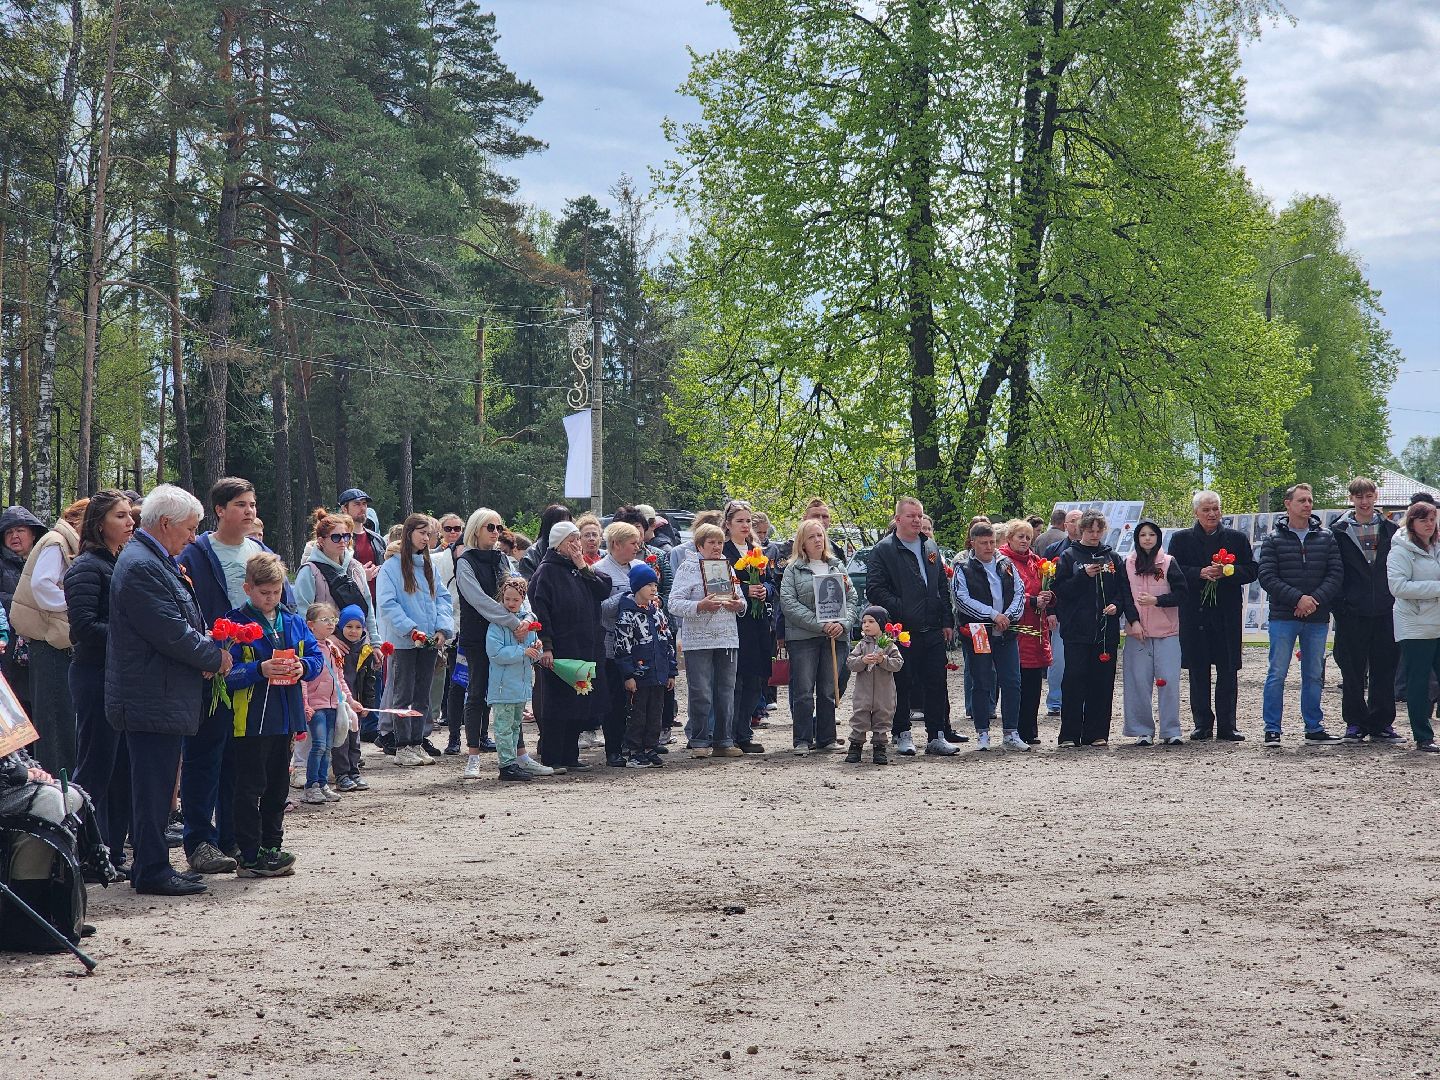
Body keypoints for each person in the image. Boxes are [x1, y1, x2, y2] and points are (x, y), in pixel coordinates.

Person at [107, 484, 231, 896]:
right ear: (165, 524)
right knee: (153, 787)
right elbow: (171, 632)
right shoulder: (144, 564)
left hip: (155, 691)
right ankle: (152, 870)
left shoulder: (151, 559)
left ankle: (152, 864)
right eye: (190, 528)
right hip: (150, 694)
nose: (193, 537)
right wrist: (214, 656)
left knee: (155, 786)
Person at [177, 477, 292, 876]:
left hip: (254, 682)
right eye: (240, 504)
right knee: (203, 756)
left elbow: (286, 610)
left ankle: (234, 841)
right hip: (210, 671)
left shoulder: (260, 551)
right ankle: (199, 841)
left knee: (240, 763)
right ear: (220, 510)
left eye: (253, 504)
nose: (249, 511)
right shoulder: (195, 554)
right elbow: (184, 610)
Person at [222, 553, 322, 877]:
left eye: (276, 592)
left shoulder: (292, 621)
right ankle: (248, 856)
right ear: (247, 588)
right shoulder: (234, 623)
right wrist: (259, 669)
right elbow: (226, 673)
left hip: (286, 717)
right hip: (249, 721)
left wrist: (302, 667)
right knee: (251, 787)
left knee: (279, 787)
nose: (271, 598)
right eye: (264, 592)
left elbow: (316, 657)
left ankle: (272, 849)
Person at [62, 490, 135, 878]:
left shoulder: (117, 562)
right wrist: (132, 635)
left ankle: (111, 853)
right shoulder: (87, 567)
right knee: (94, 768)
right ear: (99, 522)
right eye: (121, 516)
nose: (130, 521)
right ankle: (80, 853)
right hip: (93, 677)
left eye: (130, 515)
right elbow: (84, 629)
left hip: (117, 678)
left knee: (120, 768)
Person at [863, 497, 961, 756]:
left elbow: (941, 584)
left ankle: (936, 735)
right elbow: (874, 588)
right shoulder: (884, 550)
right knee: (902, 682)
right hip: (901, 630)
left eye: (920, 515)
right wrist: (903, 607)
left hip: (932, 629)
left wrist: (946, 620)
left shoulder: (930, 546)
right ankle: (903, 733)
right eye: (911, 516)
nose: (917, 520)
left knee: (936, 682)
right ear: (898, 520)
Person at [1258, 483, 1345, 745]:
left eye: (1310, 500)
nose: (1307, 505)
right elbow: (1266, 576)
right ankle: (1272, 728)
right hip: (1284, 616)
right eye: (1302, 500)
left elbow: (1336, 574)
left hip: (1316, 618)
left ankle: (1314, 727)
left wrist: (1313, 600)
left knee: (1313, 673)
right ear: (1288, 504)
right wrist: (1298, 598)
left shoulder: (1326, 537)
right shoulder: (1273, 539)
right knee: (1277, 673)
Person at [1168, 491, 1259, 742]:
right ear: (1196, 513)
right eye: (1206, 510)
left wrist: (1227, 571)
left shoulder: (1236, 539)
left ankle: (1228, 725)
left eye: (1216, 509)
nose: (1212, 514)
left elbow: (1252, 570)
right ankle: (1202, 724)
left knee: (1228, 669)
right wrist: (1200, 573)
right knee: (1198, 671)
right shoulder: (1181, 539)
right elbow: (1173, 571)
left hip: (1226, 613)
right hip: (1195, 613)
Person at [9, 499, 87, 774]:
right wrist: (76, 606)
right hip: (49, 644)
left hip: (54, 643)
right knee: (55, 724)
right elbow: (42, 586)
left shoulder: (63, 542)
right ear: (80, 520)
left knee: (62, 722)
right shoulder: (57, 542)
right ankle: (56, 797)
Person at [1053, 509, 1141, 747]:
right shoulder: (1069, 556)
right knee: (1074, 680)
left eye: (1098, 530)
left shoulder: (1112, 557)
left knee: (1102, 682)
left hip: (1105, 631)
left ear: (1104, 531)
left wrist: (1117, 605)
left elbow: (1123, 590)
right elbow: (1060, 591)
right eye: (1090, 530)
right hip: (1076, 630)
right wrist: (1083, 575)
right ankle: (1069, 734)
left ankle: (1097, 733)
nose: (1094, 534)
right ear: (1081, 529)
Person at [528, 521, 610, 769]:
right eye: (571, 540)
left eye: (578, 539)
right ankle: (553, 756)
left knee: (579, 702)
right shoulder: (546, 572)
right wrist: (547, 646)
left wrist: (583, 566)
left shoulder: (578, 568)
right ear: (558, 544)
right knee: (558, 705)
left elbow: (603, 589)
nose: (577, 544)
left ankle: (571, 757)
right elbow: (541, 612)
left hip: (584, 647)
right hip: (560, 650)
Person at [376, 514, 454, 767]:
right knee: (403, 693)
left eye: (428, 533)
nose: (425, 537)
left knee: (422, 693)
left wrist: (442, 628)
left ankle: (417, 741)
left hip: (430, 640)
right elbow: (388, 603)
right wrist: (410, 630)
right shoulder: (391, 567)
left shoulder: (428, 565)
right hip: (404, 641)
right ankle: (402, 746)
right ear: (408, 533)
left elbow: (442, 598)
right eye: (421, 532)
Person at [455, 507, 525, 778]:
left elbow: (518, 591)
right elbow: (479, 600)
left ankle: (520, 754)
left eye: (498, 527)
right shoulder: (465, 561)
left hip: (507, 634)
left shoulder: (503, 560)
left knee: (513, 694)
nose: (496, 532)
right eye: (490, 527)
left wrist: (525, 620)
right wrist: (512, 621)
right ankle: (473, 755)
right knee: (477, 692)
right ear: (475, 530)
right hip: (478, 635)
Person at [1330, 477, 1401, 743]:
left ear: (1375, 496)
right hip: (1352, 612)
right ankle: (1355, 722)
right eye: (1359, 497)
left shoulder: (1391, 529)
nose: (1364, 501)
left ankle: (1382, 722)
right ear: (1351, 499)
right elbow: (1333, 570)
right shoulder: (1337, 531)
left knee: (1384, 669)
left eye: (1368, 496)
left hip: (1385, 610)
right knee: (1351, 670)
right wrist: (1341, 604)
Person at [778, 518, 857, 755]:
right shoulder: (792, 569)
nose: (817, 540)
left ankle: (827, 738)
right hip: (804, 638)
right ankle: (802, 739)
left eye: (820, 535)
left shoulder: (837, 566)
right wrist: (819, 625)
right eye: (812, 536)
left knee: (828, 689)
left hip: (835, 637)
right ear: (802, 541)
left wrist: (842, 624)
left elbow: (852, 599)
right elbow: (788, 603)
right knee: (803, 690)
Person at [670, 523, 745, 757]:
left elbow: (740, 599)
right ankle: (700, 740)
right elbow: (673, 603)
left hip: (727, 637)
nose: (716, 547)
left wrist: (738, 604)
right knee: (701, 691)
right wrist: (699, 606)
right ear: (699, 545)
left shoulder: (727, 568)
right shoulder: (687, 568)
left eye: (720, 542)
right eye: (711, 542)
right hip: (698, 640)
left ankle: (724, 740)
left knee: (726, 691)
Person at [953, 521, 1027, 751]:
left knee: (1012, 681)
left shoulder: (1006, 564)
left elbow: (1019, 591)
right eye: (983, 543)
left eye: (992, 542)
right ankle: (982, 732)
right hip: (979, 632)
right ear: (972, 543)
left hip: (1006, 630)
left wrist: (1009, 616)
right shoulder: (963, 567)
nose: (988, 547)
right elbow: (961, 599)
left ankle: (1011, 732)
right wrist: (993, 615)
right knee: (982, 681)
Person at [1121, 520, 1188, 746]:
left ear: (1158, 537)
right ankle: (1142, 730)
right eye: (1142, 535)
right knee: (1138, 682)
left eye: (1151, 534)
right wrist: (1133, 621)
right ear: (1137, 539)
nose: (1147, 538)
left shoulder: (1168, 562)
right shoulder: (1128, 563)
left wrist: (1157, 601)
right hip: (1137, 633)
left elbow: (1182, 593)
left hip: (1167, 632)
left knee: (1168, 681)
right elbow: (1125, 597)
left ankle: (1171, 730)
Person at [1387, 500, 1440, 752]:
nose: (1429, 524)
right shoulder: (1400, 550)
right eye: (1423, 520)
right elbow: (1398, 587)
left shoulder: (1437, 547)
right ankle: (1423, 735)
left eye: (1432, 519)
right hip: (1415, 625)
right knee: (1418, 681)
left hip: (1438, 622)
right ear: (1411, 522)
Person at [614, 564, 677, 769]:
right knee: (637, 714)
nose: (653, 588)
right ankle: (634, 751)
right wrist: (628, 675)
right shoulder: (627, 615)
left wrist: (671, 671)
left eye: (655, 584)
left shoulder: (657, 613)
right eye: (648, 584)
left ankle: (650, 747)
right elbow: (622, 648)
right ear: (636, 586)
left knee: (655, 713)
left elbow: (667, 642)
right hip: (639, 676)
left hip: (659, 674)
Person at [301, 602, 364, 805]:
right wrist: (305, 704)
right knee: (318, 745)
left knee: (328, 747)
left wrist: (350, 700)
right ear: (311, 625)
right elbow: (302, 678)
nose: (330, 625)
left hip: (333, 705)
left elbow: (340, 679)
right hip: (316, 705)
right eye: (325, 620)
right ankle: (311, 786)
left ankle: (322, 784)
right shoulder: (307, 647)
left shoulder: (332, 648)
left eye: (333, 620)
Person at [595, 520, 647, 766]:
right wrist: (626, 597)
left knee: (641, 697)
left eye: (638, 542)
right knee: (615, 699)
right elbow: (599, 610)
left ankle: (637, 745)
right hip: (611, 645)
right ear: (615, 544)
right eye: (633, 543)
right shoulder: (599, 571)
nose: (637, 547)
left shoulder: (640, 567)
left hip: (640, 644)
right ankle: (613, 749)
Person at [721, 500, 771, 755]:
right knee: (737, 680)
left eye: (748, 521)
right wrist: (743, 590)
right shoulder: (724, 551)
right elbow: (719, 585)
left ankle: (744, 732)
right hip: (735, 623)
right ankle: (730, 734)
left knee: (755, 679)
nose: (744, 525)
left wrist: (765, 590)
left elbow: (771, 583)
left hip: (758, 621)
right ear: (728, 524)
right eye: (739, 521)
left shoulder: (757, 550)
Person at [999, 519, 1053, 746]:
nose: (1024, 541)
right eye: (1020, 536)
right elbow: (1005, 594)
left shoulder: (1036, 562)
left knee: (1033, 681)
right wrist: (1032, 601)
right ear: (1009, 538)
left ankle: (1030, 729)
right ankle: (1015, 729)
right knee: (1016, 679)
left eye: (1028, 537)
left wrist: (1049, 597)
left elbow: (1045, 588)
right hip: (1016, 627)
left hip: (1036, 627)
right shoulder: (1003, 561)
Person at [486, 578, 546, 781]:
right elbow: (495, 653)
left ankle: (512, 762)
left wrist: (537, 650)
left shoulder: (526, 624)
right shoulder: (497, 624)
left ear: (522, 600)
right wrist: (523, 652)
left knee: (514, 726)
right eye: (507, 599)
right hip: (503, 686)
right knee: (503, 726)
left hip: (520, 684)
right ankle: (506, 764)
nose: (511, 603)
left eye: (515, 599)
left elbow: (535, 653)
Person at [1, 505, 47, 713]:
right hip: (8, 649)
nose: (14, 536)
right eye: (9, 532)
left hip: (37, 650)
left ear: (33, 532)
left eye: (20, 530)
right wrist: (25, 604)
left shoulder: (45, 562)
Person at [844, 606, 905, 764]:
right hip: (863, 692)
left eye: (871, 621)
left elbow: (898, 664)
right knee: (860, 717)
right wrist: (862, 661)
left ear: (882, 624)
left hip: (884, 692)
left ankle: (879, 747)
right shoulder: (861, 645)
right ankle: (855, 746)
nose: (866, 625)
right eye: (864, 622)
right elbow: (850, 663)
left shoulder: (890, 645)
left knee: (882, 718)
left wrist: (882, 660)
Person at [1044, 509, 1083, 717]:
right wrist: (1050, 611)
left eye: (1080, 521)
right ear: (1065, 525)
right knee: (1058, 659)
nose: (1077, 524)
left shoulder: (1093, 549)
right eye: (1073, 521)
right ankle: (1055, 701)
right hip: (1059, 613)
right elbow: (1046, 581)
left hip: (1084, 613)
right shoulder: (1053, 549)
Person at [332, 605, 375, 791]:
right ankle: (341, 774)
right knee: (341, 739)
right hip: (338, 701)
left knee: (354, 738)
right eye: (349, 626)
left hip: (356, 701)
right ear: (340, 626)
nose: (353, 631)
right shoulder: (333, 647)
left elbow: (369, 681)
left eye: (358, 627)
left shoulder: (366, 650)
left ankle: (354, 770)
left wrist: (367, 704)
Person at [337, 488, 386, 594]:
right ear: (344, 508)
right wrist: (360, 576)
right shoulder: (337, 540)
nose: (363, 508)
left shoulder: (378, 540)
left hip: (378, 603)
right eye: (357, 504)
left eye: (364, 504)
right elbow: (332, 575)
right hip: (352, 603)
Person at [518, 504, 573, 580]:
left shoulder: (575, 550)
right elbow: (529, 585)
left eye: (568, 524)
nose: (565, 529)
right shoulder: (531, 555)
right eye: (561, 524)